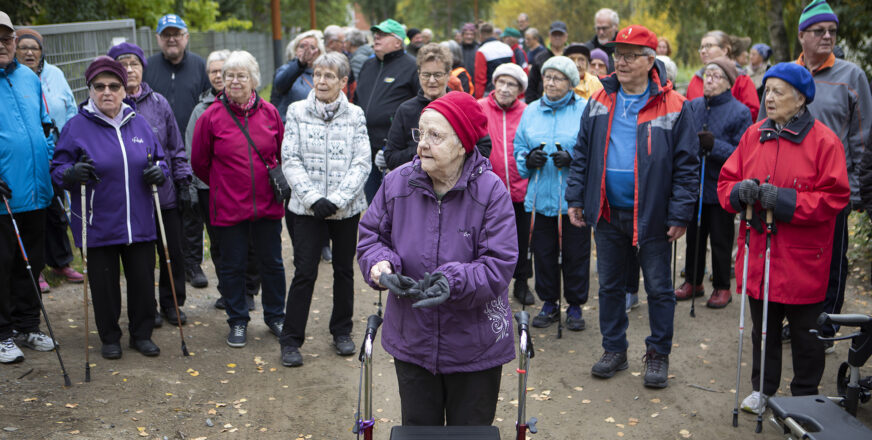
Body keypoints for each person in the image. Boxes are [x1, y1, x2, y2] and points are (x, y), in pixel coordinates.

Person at [357, 91, 518, 426]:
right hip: (413, 338)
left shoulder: (491, 192)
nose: (422, 145)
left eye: (435, 136)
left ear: (463, 143)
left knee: (469, 434)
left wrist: (452, 280)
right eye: (421, 133)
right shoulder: (397, 182)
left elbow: (499, 264)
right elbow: (372, 236)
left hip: (474, 344)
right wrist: (381, 265)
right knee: (419, 432)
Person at [565, 25, 699, 389]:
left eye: (629, 55)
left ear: (650, 61)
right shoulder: (599, 100)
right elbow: (582, 153)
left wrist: (680, 212)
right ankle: (614, 350)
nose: (619, 62)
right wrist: (576, 198)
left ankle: (657, 355)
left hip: (652, 215)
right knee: (608, 286)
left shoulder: (676, 105)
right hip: (607, 212)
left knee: (658, 289)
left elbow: (688, 167)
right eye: (617, 54)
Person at [718, 62, 849, 414]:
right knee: (765, 330)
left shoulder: (825, 141)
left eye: (777, 91)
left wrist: (786, 201)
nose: (768, 98)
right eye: (766, 90)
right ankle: (762, 389)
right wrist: (739, 193)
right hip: (760, 253)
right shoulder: (754, 134)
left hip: (804, 258)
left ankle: (806, 397)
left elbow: (835, 198)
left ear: (801, 98)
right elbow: (726, 182)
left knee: (807, 336)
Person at [767, 0, 872, 351]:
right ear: (801, 35)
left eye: (832, 31)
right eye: (819, 31)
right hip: (784, 190)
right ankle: (793, 323)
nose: (828, 36)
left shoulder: (851, 76)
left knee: (829, 260)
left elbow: (862, 137)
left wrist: (856, 190)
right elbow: (762, 128)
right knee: (789, 256)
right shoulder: (780, 73)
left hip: (831, 190)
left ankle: (824, 327)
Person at [52, 57, 169, 359]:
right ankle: (110, 337)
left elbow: (159, 159)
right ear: (90, 89)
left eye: (113, 86)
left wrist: (160, 172)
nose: (107, 92)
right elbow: (58, 167)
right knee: (104, 286)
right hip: (98, 221)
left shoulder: (138, 121)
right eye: (99, 86)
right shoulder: (76, 126)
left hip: (139, 219)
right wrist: (71, 173)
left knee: (143, 282)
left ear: (123, 89)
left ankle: (141, 335)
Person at [278, 53, 370, 367]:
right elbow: (290, 159)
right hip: (306, 210)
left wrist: (339, 199)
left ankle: (341, 331)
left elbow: (362, 163)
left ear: (344, 81)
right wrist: (314, 198)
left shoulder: (356, 115)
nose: (321, 81)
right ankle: (290, 340)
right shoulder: (297, 111)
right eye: (317, 74)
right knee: (304, 271)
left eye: (329, 76)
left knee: (344, 270)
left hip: (345, 210)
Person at [191, 51, 287, 348]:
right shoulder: (210, 118)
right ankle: (237, 320)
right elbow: (199, 162)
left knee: (272, 263)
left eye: (241, 75)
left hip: (267, 205)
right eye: (229, 75)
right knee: (232, 265)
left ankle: (275, 316)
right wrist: (224, 185)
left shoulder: (270, 113)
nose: (234, 81)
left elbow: (280, 153)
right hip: (229, 206)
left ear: (253, 80)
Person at [107, 42, 194, 327]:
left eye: (134, 63)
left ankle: (173, 303)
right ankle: (148, 307)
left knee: (173, 252)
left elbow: (175, 146)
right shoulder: (110, 107)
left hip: (164, 193)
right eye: (122, 64)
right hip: (133, 200)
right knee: (141, 261)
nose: (129, 69)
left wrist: (182, 181)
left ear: (142, 68)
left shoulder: (159, 103)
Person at [514, 56, 590, 331]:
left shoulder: (584, 109)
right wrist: (528, 159)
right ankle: (549, 303)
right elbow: (519, 145)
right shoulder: (531, 110)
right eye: (547, 77)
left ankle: (575, 305)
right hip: (540, 197)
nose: (551, 82)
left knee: (575, 253)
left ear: (570, 83)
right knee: (544, 253)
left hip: (573, 198)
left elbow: (591, 148)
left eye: (557, 78)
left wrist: (573, 157)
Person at [0, 12, 57, 363]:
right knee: (2, 266)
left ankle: (27, 324)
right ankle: (3, 333)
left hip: (37, 191)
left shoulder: (29, 78)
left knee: (30, 264)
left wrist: (46, 157)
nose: (2, 45)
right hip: (2, 198)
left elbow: (45, 125)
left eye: (6, 38)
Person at [184, 49, 259, 310]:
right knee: (219, 243)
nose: (219, 76)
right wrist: (202, 185)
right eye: (214, 71)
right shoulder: (201, 110)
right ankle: (228, 290)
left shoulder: (254, 108)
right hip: (210, 190)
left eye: (222, 70)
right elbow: (194, 154)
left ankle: (248, 289)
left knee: (250, 242)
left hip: (243, 189)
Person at [673, 57, 751, 308]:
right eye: (707, 74)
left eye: (716, 76)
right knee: (694, 236)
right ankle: (693, 281)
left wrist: (714, 146)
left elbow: (743, 152)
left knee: (720, 238)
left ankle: (721, 286)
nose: (709, 79)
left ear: (728, 83)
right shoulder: (692, 106)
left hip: (721, 187)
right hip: (694, 184)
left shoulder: (739, 111)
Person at [14, 28, 83, 291]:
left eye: (35, 48)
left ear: (42, 52)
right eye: (24, 47)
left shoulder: (55, 74)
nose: (30, 52)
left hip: (57, 153)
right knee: (34, 212)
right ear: (15, 50)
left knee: (56, 211)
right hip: (28, 156)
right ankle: (37, 267)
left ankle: (62, 262)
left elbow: (70, 108)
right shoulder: (13, 80)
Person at [479, 63, 532, 305]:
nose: (505, 88)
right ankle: (489, 285)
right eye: (501, 82)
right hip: (487, 189)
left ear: (520, 89)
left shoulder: (528, 112)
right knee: (488, 239)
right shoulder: (479, 108)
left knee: (523, 238)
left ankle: (522, 283)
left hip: (522, 187)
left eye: (511, 84)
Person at [353, 18, 418, 203]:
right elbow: (358, 99)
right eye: (376, 34)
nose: (376, 37)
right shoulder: (368, 65)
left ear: (398, 41)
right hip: (365, 147)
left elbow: (420, 105)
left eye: (383, 35)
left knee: (396, 203)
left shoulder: (412, 66)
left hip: (396, 150)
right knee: (373, 204)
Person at [384, 43, 452, 171]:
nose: (432, 80)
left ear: (448, 74)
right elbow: (391, 158)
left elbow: (483, 147)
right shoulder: (406, 110)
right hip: (415, 185)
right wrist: (422, 149)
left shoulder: (460, 106)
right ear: (419, 74)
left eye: (437, 75)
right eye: (426, 75)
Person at [143, 14, 210, 139]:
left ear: (186, 37)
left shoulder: (201, 66)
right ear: (158, 38)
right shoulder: (147, 67)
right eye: (166, 35)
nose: (171, 39)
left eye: (177, 34)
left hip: (194, 142)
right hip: (158, 145)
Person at [686, 30, 759, 121]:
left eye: (708, 46)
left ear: (725, 50)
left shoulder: (741, 78)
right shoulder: (696, 79)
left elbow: (753, 113)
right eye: (702, 47)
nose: (703, 51)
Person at [271, 30, 324, 123]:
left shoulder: (323, 73)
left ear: (319, 52)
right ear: (295, 50)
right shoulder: (286, 69)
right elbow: (279, 85)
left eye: (312, 47)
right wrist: (300, 64)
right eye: (302, 46)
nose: (306, 50)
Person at [526, 21, 569, 103]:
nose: (557, 37)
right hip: (542, 103)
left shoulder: (572, 56)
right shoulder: (540, 57)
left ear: (566, 36)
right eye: (554, 35)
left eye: (560, 35)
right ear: (549, 36)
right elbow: (531, 85)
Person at [473, 23, 514, 99]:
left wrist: (479, 98)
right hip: (509, 89)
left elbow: (480, 79)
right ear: (492, 33)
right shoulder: (507, 48)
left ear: (480, 35)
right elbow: (514, 70)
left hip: (491, 93)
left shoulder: (482, 51)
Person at [587, 8, 619, 74]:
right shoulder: (587, 49)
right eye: (598, 28)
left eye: (604, 28)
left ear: (615, 27)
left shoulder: (623, 49)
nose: (601, 32)